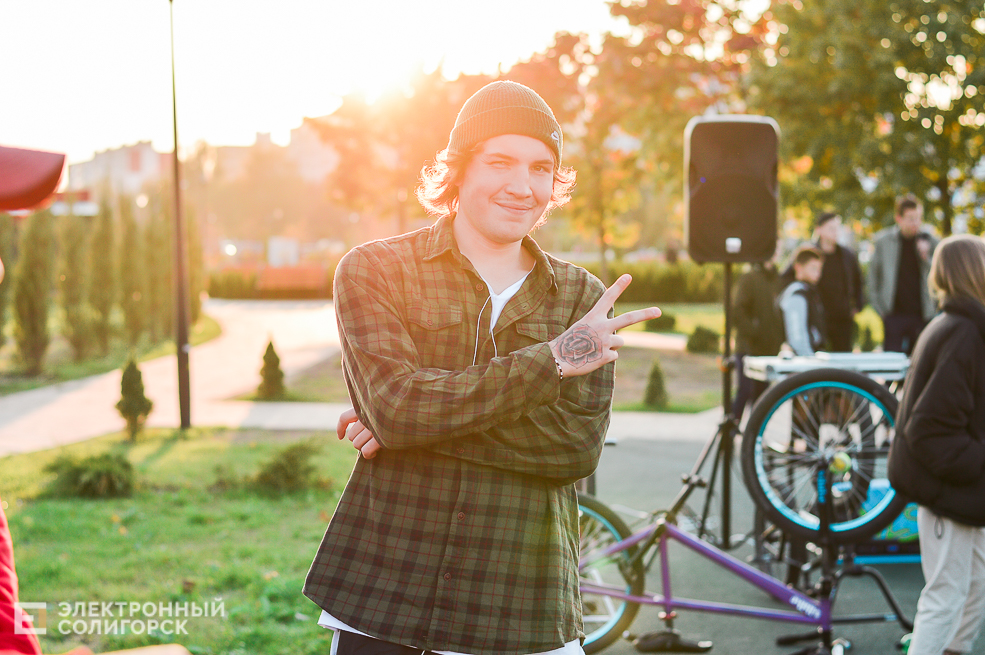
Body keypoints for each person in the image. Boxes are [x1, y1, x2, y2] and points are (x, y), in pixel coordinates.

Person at [302, 80, 660, 655]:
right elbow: (398, 410)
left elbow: (573, 450)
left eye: (542, 168)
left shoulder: (581, 299)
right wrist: (555, 360)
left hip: (519, 602)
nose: (523, 186)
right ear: (460, 169)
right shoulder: (375, 270)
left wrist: (407, 426)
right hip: (386, 595)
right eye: (500, 161)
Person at [888, 235, 985, 655]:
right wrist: (977, 466)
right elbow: (929, 429)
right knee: (946, 595)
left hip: (962, 489)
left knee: (974, 589)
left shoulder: (958, 327)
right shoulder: (961, 333)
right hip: (951, 491)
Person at [867, 194, 940, 354]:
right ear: (899, 218)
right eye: (911, 218)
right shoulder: (883, 241)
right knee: (891, 364)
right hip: (893, 315)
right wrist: (880, 309)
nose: (916, 223)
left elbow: (939, 276)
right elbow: (873, 278)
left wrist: (925, 257)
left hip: (923, 315)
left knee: (921, 361)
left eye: (918, 218)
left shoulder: (932, 242)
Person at [731, 254, 785, 419]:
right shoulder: (749, 278)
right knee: (745, 391)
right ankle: (731, 432)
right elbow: (737, 311)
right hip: (748, 346)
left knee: (762, 397)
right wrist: (755, 331)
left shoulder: (778, 279)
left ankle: (754, 437)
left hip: (768, 349)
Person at [812, 212, 864, 352]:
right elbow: (789, 276)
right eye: (831, 228)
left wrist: (857, 306)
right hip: (817, 318)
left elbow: (858, 281)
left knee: (843, 360)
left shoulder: (847, 255)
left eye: (837, 228)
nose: (835, 232)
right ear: (819, 230)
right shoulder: (809, 253)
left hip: (842, 318)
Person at [777, 245, 825, 356]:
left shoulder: (809, 293)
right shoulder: (796, 296)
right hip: (801, 364)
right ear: (798, 267)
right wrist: (810, 364)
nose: (818, 273)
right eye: (813, 268)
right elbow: (797, 340)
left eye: (819, 269)